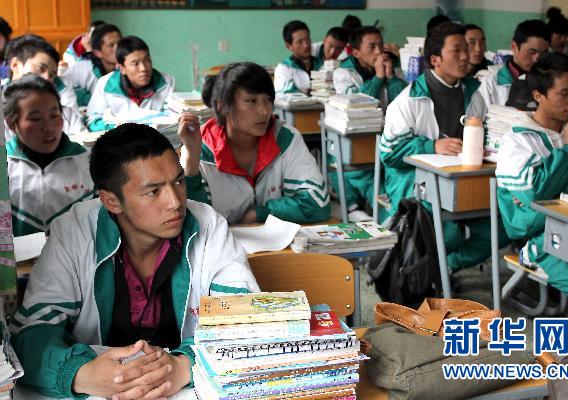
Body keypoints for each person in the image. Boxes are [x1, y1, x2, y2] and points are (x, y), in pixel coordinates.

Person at [10, 122, 260, 398]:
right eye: (153, 191)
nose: (175, 202)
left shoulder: (208, 225)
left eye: (178, 181)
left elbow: (247, 318)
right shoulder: (74, 231)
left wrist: (185, 365)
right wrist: (80, 373)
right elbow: (31, 334)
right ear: (111, 201)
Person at [495, 52, 568, 344]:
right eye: (564, 93)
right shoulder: (518, 140)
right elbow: (536, 194)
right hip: (541, 242)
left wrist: (558, 186)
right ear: (538, 96)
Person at [380, 22, 499, 272]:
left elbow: (486, 133)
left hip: (464, 178)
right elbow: (389, 154)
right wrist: (432, 145)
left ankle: (445, 267)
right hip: (414, 181)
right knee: (448, 234)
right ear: (435, 60)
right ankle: (428, 271)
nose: (466, 56)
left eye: (466, 49)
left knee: (502, 228)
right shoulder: (407, 101)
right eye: (457, 51)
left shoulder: (474, 93)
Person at [179, 62, 330, 225]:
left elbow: (317, 203)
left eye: (268, 100)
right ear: (222, 106)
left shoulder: (285, 138)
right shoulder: (199, 147)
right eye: (251, 101)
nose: (264, 111)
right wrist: (191, 165)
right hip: (223, 240)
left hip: (274, 239)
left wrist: (260, 213)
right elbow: (195, 219)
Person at [332, 25, 407, 222]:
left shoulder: (391, 67)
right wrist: (378, 78)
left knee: (397, 180)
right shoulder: (343, 74)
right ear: (356, 53)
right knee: (370, 182)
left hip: (388, 140)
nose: (379, 51)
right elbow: (356, 106)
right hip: (359, 142)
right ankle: (375, 216)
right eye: (372, 47)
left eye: (381, 45)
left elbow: (405, 103)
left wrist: (391, 78)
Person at [3, 74, 94, 236]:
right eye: (35, 119)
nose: (49, 127)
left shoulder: (87, 163)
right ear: (12, 124)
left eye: (54, 115)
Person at [86, 35, 175, 131]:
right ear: (122, 68)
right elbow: (93, 121)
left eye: (147, 60)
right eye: (135, 63)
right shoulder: (105, 84)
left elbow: (173, 118)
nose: (143, 68)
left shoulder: (166, 82)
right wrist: (118, 128)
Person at [469, 19, 550, 119]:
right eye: (532, 52)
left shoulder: (550, 82)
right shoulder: (490, 84)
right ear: (514, 47)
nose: (536, 59)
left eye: (544, 53)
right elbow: (473, 123)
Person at [5, 35, 85, 135]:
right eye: (40, 69)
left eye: (52, 74)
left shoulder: (66, 113)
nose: (47, 78)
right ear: (16, 65)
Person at [63, 23, 122, 107]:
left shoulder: (124, 68)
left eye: (120, 44)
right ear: (98, 52)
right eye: (111, 45)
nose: (118, 48)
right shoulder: (83, 70)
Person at [274, 20, 323, 94]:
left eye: (308, 39)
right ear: (288, 46)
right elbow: (284, 92)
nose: (306, 45)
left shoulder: (321, 64)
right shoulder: (284, 68)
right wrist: (309, 92)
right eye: (300, 42)